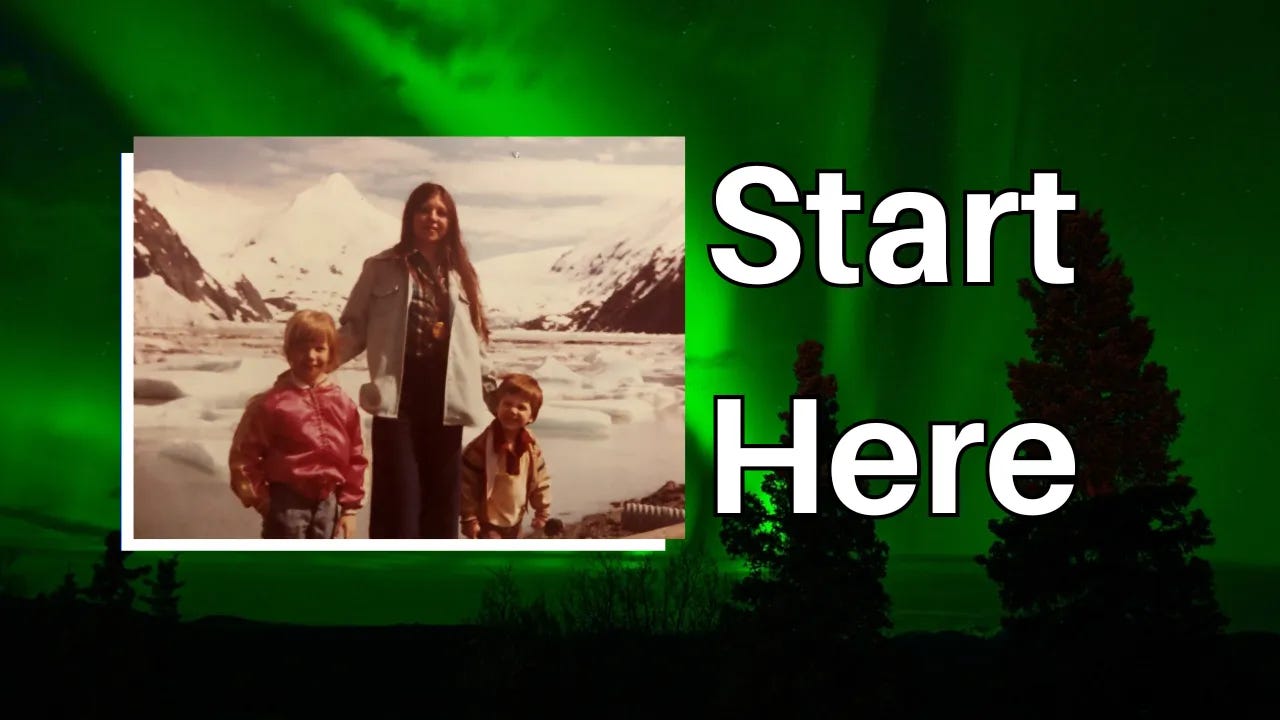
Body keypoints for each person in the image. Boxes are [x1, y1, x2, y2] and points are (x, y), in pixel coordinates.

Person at [335, 182, 495, 539]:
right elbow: (354, 328)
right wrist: (314, 363)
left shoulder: (463, 275)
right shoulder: (381, 268)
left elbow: (477, 344)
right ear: (410, 216)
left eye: (441, 212)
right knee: (399, 509)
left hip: (446, 406)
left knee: (441, 512)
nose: (432, 218)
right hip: (398, 405)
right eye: (424, 209)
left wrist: (494, 392)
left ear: (451, 221)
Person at [228, 310, 368, 539]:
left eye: (319, 348)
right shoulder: (272, 404)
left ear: (332, 353)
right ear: (288, 352)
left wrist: (350, 509)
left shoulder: (343, 404)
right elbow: (244, 457)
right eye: (302, 348)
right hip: (286, 504)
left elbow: (356, 457)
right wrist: (262, 500)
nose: (310, 356)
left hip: (328, 504)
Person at [459, 373, 552, 539]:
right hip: (487, 522)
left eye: (521, 407)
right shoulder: (481, 446)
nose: (513, 410)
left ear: (532, 416)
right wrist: (469, 518)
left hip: (516, 520)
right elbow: (466, 483)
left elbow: (540, 480)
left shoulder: (531, 446)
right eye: (507, 404)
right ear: (497, 407)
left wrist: (542, 511)